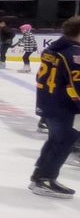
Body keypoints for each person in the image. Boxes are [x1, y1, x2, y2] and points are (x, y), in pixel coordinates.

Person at [29, 16, 80, 198]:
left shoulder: (55, 48)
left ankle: (39, 176)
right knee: (64, 141)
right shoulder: (74, 53)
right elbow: (76, 85)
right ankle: (45, 179)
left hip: (48, 102)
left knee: (55, 140)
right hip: (64, 106)